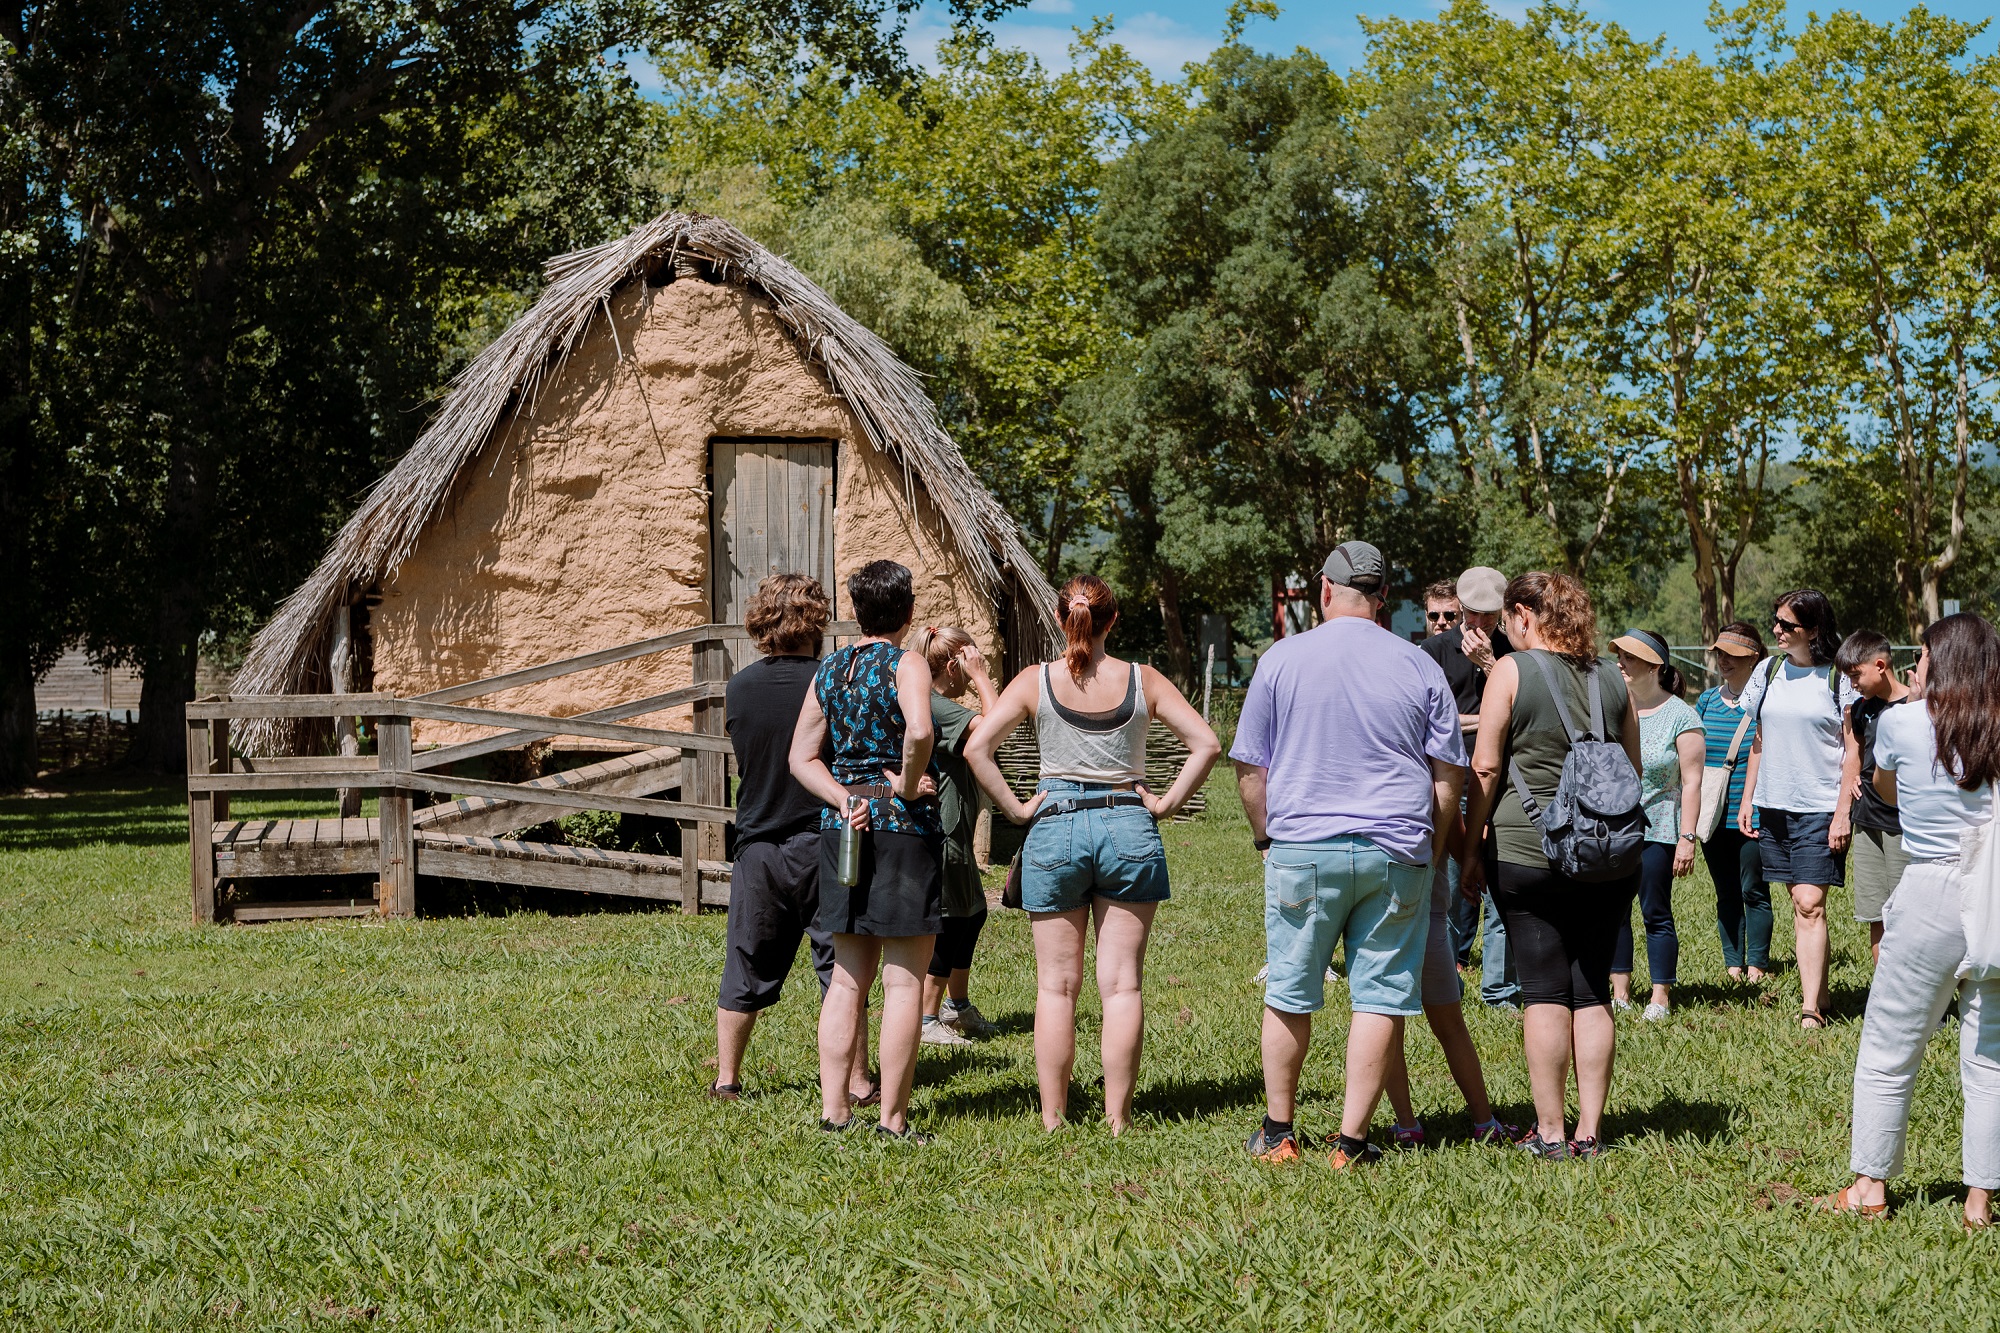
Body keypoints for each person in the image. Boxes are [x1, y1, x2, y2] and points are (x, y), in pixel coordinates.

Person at [1231, 541, 1481, 1167]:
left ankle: (1279, 1132)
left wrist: (1267, 839)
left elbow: (1249, 769)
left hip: (1302, 847)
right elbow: (1449, 775)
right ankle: (1351, 1143)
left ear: (1323, 591)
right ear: (1383, 600)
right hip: (1397, 849)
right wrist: (1433, 837)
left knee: (1289, 988)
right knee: (1381, 994)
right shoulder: (1419, 664)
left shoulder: (1281, 659)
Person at [964, 574, 1219, 1135]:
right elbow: (1207, 743)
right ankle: (1118, 1119)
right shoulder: (1142, 679)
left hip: (1055, 826)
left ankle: (1054, 1120)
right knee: (1122, 983)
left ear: (1061, 619)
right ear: (1113, 620)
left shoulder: (1036, 681)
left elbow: (977, 748)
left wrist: (1015, 809)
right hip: (1129, 823)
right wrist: (1170, 801)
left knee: (1056, 986)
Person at [1816, 613, 2000, 1227]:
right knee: (1990, 1056)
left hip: (1929, 888)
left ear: (1940, 661)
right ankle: (1980, 1201)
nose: (1914, 667)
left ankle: (1870, 1187)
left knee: (1890, 1045)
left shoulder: (1897, 723)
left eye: (1921, 657)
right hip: (1993, 894)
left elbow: (1885, 793)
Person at [1461, 571, 1641, 1160]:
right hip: (1606, 854)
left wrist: (1469, 846)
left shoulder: (1512, 670)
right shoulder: (1613, 678)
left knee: (1542, 991)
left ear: (1522, 616)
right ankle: (1591, 1131)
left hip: (1526, 849)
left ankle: (1551, 1132)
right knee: (1591, 992)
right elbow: (1630, 771)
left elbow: (1486, 767)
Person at [788, 559, 942, 1141]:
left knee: (848, 979)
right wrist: (903, 786)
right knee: (904, 982)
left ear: (856, 611)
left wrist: (843, 795)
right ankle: (892, 1121)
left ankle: (833, 1112)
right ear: (906, 612)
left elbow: (801, 757)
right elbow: (922, 732)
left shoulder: (831, 669)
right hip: (902, 829)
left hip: (842, 827)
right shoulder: (908, 663)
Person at [710, 574, 872, 1105]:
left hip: (758, 845)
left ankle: (727, 1080)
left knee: (746, 961)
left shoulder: (739, 686)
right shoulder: (832, 681)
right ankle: (857, 1081)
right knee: (843, 970)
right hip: (826, 839)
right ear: (816, 620)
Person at [1739, 589, 1860, 1030]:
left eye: (1787, 625)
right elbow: (1759, 739)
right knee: (1798, 900)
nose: (1776, 631)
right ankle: (1821, 991)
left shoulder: (1837, 677)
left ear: (1813, 630)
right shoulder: (1768, 672)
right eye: (1776, 621)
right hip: (1774, 804)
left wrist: (1843, 810)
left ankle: (1810, 1010)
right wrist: (1748, 798)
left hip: (1819, 806)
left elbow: (1853, 748)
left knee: (1810, 902)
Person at [1420, 566, 1520, 1007]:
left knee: (1501, 883)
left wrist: (1491, 667)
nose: (1480, 626)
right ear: (1460, 608)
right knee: (1442, 883)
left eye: (1490, 618)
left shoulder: (1513, 652)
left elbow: (1528, 708)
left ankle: (1499, 990)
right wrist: (1487, 718)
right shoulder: (1432, 651)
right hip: (1447, 779)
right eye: (1473, 616)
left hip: (1501, 779)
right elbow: (1430, 722)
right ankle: (1446, 985)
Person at [911, 625, 1002, 1047]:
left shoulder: (938, 703)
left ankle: (957, 1006)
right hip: (943, 833)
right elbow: (994, 729)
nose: (975, 668)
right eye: (970, 662)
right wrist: (983, 679)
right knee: (950, 921)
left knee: (973, 913)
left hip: (955, 830)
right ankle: (928, 1017)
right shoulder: (935, 704)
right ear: (953, 665)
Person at [1608, 628, 1704, 1021]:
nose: (1620, 664)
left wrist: (1687, 838)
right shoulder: (1614, 708)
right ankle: (1620, 993)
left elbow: (1692, 781)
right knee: (1615, 911)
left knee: (1655, 911)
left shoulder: (1682, 716)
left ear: (1654, 666)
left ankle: (1660, 997)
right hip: (1614, 829)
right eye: (1620, 656)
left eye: (1629, 658)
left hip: (1659, 829)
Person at [1695, 623, 1772, 984]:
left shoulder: (1767, 702)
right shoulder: (1708, 701)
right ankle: (1732, 964)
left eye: (1733, 655)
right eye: (1720, 653)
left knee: (1752, 888)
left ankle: (1757, 964)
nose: (1724, 660)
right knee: (1725, 891)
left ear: (1754, 658)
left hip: (1752, 813)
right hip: (1712, 814)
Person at [1839, 629, 1912, 966]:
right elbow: (1855, 752)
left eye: (1856, 675)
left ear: (1880, 665)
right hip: (1867, 821)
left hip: (1904, 826)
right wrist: (1852, 777)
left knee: (1908, 916)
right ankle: (1886, 994)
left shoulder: (1917, 706)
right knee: (1876, 913)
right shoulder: (1860, 709)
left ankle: (1924, 1004)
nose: (1853, 683)